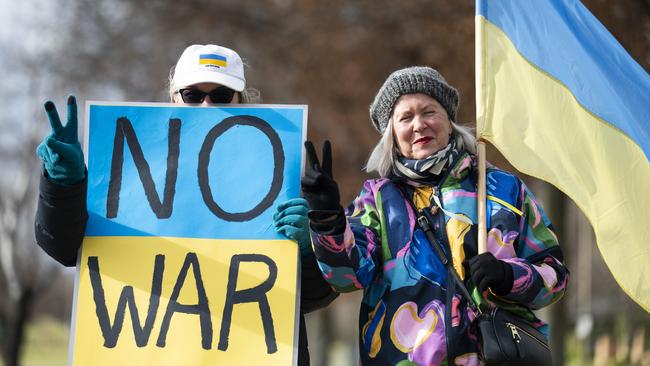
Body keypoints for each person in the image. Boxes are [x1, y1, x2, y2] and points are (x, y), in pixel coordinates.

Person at [34, 44, 336, 365]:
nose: (206, 105)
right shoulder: (127, 167)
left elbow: (315, 296)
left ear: (241, 100)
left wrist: (311, 246)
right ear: (174, 97)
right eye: (193, 95)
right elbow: (63, 247)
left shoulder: (281, 173)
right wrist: (64, 186)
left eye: (220, 95)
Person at [301, 66, 569, 365]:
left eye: (429, 112)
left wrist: (509, 277)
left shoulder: (504, 189)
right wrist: (327, 219)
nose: (419, 125)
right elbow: (345, 276)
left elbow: (555, 276)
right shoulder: (376, 199)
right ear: (392, 134)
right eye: (405, 117)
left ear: (450, 122)